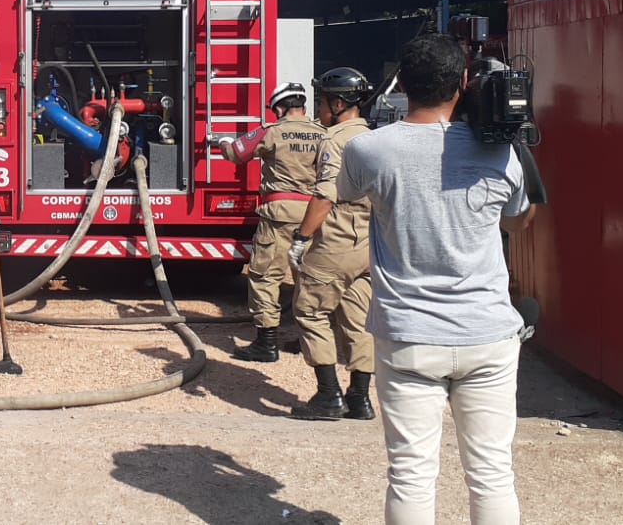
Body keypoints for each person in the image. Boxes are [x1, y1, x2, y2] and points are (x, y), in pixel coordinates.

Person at [336, 34, 536, 525]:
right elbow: (520, 221)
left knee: (410, 473)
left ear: (401, 84)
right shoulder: (501, 153)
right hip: (486, 334)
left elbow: (348, 195)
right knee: (492, 472)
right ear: (464, 83)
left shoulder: (368, 150)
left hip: (408, 337)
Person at [287, 66, 376, 420]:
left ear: (337, 103)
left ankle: (328, 396)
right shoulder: (373, 136)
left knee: (310, 309)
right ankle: (360, 399)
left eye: (321, 102)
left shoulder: (335, 139)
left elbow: (325, 195)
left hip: (339, 236)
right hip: (370, 241)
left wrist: (301, 237)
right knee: (359, 318)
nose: (318, 109)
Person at [218, 82, 328, 363]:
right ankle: (308, 340)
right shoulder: (323, 134)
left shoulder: (272, 131)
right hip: (314, 214)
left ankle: (266, 344)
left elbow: (236, 154)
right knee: (307, 279)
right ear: (303, 105)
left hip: (278, 214)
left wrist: (221, 143)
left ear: (279, 108)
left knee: (266, 276)